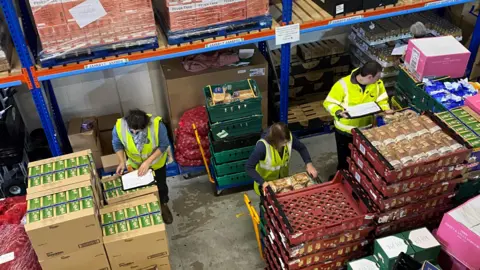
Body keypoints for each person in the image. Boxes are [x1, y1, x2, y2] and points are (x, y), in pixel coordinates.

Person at [323, 61, 391, 171]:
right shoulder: (342, 85)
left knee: (362, 159)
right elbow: (329, 103)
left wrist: (385, 109)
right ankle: (343, 177)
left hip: (366, 130)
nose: (379, 79)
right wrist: (338, 111)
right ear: (369, 77)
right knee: (344, 159)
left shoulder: (377, 84)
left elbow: (382, 100)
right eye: (377, 77)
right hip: (345, 131)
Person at [112, 109, 173, 224]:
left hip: (156, 163)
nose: (134, 133)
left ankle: (163, 204)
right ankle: (146, 209)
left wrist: (148, 162)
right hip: (135, 164)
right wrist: (121, 161)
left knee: (160, 185)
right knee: (140, 188)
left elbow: (164, 145)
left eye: (138, 131)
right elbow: (117, 144)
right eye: (132, 131)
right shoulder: (119, 126)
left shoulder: (157, 125)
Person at [245, 122, 318, 195]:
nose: (286, 144)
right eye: (283, 142)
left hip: (284, 183)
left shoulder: (287, 137)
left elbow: (301, 148)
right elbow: (249, 167)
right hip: (267, 185)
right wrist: (263, 183)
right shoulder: (262, 147)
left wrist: (309, 164)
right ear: (274, 140)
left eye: (287, 142)